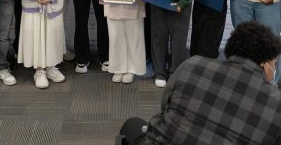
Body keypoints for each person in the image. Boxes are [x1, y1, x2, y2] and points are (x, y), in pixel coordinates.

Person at [118, 21, 281, 145]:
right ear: (263, 63)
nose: (274, 68)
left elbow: (164, 106)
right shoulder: (276, 102)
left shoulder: (192, 64)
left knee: (132, 126)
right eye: (274, 63)